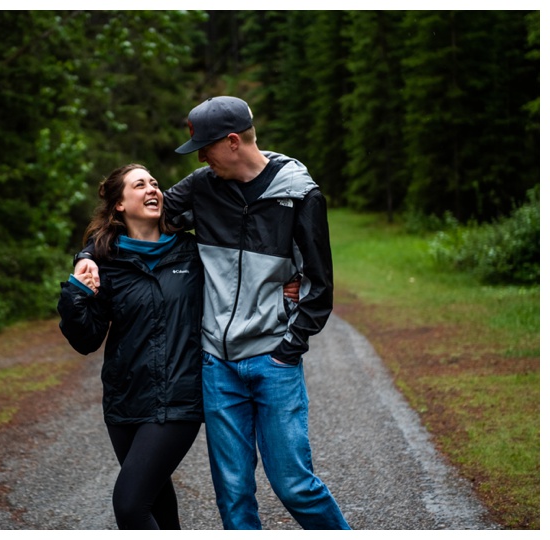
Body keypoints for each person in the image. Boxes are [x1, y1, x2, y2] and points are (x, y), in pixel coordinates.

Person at [74, 96, 350, 530]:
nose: (200, 157)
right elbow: (136, 226)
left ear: (233, 142)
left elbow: (320, 283)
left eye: (206, 147)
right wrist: (86, 255)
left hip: (273, 360)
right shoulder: (202, 186)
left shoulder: (299, 194)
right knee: (233, 493)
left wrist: (289, 347)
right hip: (217, 366)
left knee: (294, 484)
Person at [57, 164, 205, 530]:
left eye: (155, 183)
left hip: (178, 400)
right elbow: (86, 340)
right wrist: (77, 293)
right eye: (140, 185)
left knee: (130, 505)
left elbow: (238, 273)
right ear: (119, 204)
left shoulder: (192, 251)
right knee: (158, 506)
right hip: (124, 403)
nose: (152, 189)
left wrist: (285, 283)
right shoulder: (106, 262)